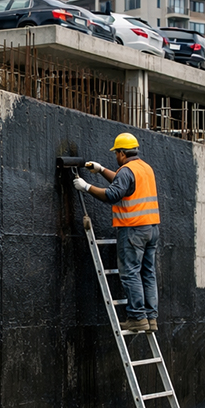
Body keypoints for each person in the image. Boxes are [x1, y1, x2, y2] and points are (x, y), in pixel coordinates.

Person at [73, 132, 161, 333]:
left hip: (133, 229)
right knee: (148, 273)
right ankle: (151, 318)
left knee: (130, 272)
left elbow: (113, 194)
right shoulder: (145, 168)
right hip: (151, 228)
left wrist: (86, 187)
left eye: (116, 153)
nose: (116, 157)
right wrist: (102, 170)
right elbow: (125, 184)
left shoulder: (126, 170)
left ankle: (137, 318)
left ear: (121, 153)